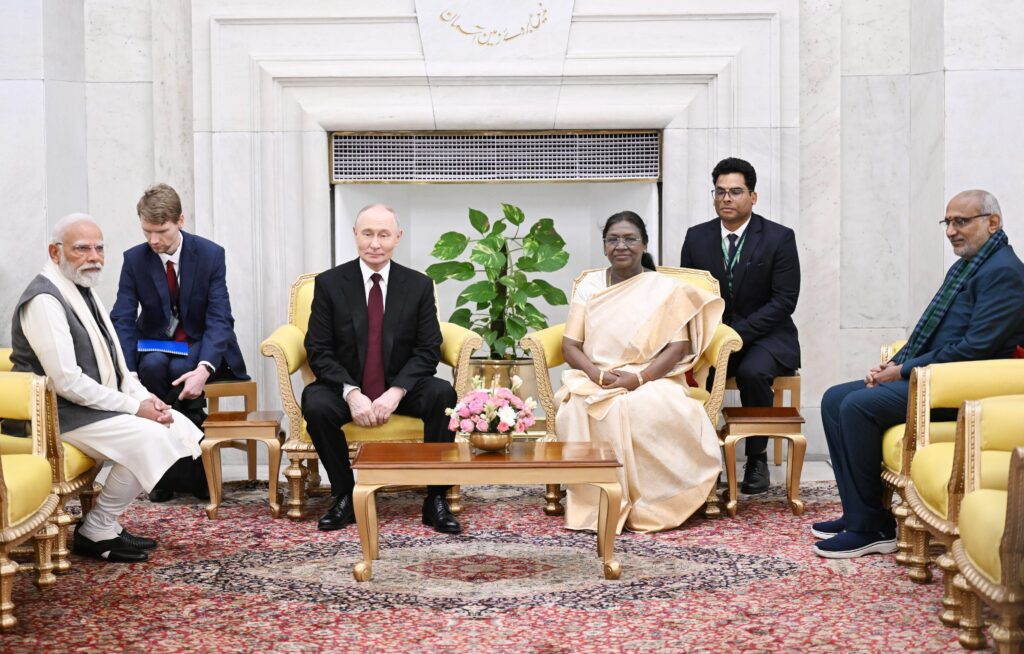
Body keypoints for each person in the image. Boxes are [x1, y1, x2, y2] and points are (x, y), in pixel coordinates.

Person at [814, 190, 1024, 559]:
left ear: (992, 222)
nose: (951, 231)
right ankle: (859, 513)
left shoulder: (1004, 272)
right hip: (936, 375)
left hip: (962, 388)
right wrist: (894, 364)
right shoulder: (968, 266)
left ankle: (872, 529)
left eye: (961, 222)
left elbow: (976, 348)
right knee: (834, 399)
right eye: (948, 222)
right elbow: (930, 331)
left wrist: (904, 370)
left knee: (857, 407)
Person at [10, 214, 203, 562]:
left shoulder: (81, 290)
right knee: (151, 437)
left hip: (85, 408)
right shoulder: (44, 300)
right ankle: (96, 529)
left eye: (99, 248)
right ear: (55, 252)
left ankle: (105, 525)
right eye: (82, 249)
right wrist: (135, 408)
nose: (94, 257)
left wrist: (147, 399)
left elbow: (117, 366)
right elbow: (66, 381)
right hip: (55, 415)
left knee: (175, 424)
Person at [555, 211, 724, 533]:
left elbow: (678, 346)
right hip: (596, 376)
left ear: (644, 244)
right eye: (613, 239)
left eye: (630, 239)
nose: (621, 245)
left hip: (652, 376)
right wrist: (597, 375)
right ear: (604, 246)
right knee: (580, 407)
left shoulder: (664, 288)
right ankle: (601, 502)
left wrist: (639, 378)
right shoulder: (590, 285)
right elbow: (570, 345)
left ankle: (656, 504)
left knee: (644, 406)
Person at [301, 204, 461, 533]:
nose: (375, 243)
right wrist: (352, 393)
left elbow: (428, 349)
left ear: (398, 237)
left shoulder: (418, 285)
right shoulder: (330, 284)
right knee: (315, 403)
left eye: (384, 235)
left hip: (401, 386)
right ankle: (344, 495)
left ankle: (436, 498)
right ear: (355, 235)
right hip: (347, 385)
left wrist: (396, 392)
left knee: (442, 394)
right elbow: (319, 349)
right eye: (367, 234)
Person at [111, 183, 248, 502]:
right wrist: (128, 374)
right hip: (156, 345)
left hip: (200, 344)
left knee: (179, 371)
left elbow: (220, 318)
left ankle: (186, 473)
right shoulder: (134, 260)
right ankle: (178, 473)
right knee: (152, 367)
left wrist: (204, 369)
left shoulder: (211, 255)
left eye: (161, 231)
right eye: (147, 232)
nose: (153, 240)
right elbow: (123, 318)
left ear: (180, 221)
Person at [680, 157, 800, 495]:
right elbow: (688, 295)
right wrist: (710, 337)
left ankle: (756, 458)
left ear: (753, 196)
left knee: (753, 372)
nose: (726, 199)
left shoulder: (779, 237)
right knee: (688, 371)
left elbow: (784, 301)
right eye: (720, 192)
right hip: (714, 335)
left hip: (766, 336)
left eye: (735, 192)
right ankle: (702, 457)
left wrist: (738, 334)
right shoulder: (697, 237)